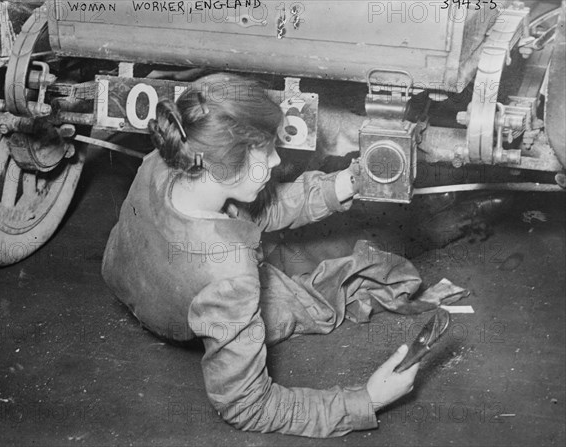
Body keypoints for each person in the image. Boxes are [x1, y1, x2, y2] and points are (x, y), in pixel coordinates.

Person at [102, 73, 454, 438]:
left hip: (134, 282)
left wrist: (344, 183)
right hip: (175, 316)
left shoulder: (168, 160)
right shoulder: (231, 275)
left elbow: (253, 212)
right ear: (227, 164)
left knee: (323, 248)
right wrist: (367, 399)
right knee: (340, 284)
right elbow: (247, 406)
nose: (274, 160)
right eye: (267, 149)